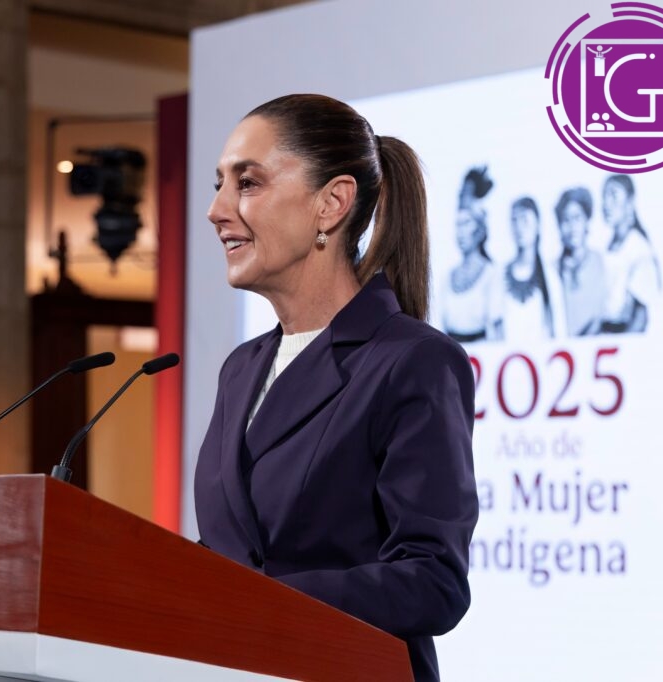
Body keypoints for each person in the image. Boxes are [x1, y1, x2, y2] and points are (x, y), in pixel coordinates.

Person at [195, 94, 478, 682]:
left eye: (247, 183)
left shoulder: (413, 361)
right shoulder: (240, 369)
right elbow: (230, 551)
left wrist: (253, 603)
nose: (217, 210)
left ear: (331, 203)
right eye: (219, 184)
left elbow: (434, 581)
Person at [440, 167, 503, 342]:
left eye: (466, 223)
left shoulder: (491, 273)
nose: (461, 232)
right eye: (458, 225)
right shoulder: (447, 277)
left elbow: (498, 333)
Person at [600, 174, 660, 332]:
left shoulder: (638, 248)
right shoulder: (609, 247)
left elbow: (640, 316)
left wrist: (624, 343)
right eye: (604, 196)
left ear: (630, 202)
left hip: (624, 334)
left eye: (613, 196)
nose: (606, 204)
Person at [499, 197, 561, 340]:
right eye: (514, 220)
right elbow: (494, 325)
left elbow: (558, 328)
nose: (519, 228)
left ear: (537, 225)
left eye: (525, 220)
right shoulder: (500, 274)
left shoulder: (550, 275)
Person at [554, 187, 605, 336]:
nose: (572, 227)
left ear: (586, 221)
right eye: (566, 220)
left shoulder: (600, 262)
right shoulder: (553, 270)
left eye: (577, 218)